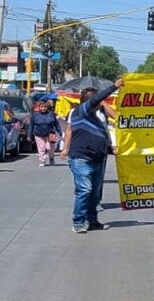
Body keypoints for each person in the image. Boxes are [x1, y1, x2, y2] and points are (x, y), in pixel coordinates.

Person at [61, 78, 123, 234]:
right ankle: (78, 222)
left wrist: (110, 146)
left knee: (95, 192)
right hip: (82, 158)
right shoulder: (80, 111)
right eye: (98, 101)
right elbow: (69, 130)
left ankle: (92, 220)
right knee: (84, 189)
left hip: (98, 158)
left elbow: (110, 125)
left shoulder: (96, 117)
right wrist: (114, 86)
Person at [29, 100, 61, 166]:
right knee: (41, 148)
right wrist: (29, 135)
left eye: (45, 107)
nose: (43, 108)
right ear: (39, 108)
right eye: (42, 107)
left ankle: (51, 158)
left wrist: (59, 131)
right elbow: (31, 125)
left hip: (50, 134)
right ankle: (42, 161)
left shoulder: (51, 114)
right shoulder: (35, 115)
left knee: (49, 148)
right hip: (39, 134)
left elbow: (56, 124)